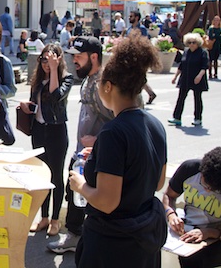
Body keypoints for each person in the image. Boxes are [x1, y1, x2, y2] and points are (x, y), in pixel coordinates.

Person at [68, 34, 167, 268]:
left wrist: (80, 184)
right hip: (144, 242)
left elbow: (107, 201)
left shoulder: (112, 132)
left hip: (112, 245)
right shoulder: (156, 125)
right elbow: (157, 183)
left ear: (108, 86)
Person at [47, 36, 114, 254]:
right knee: (74, 195)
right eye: (73, 56)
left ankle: (80, 240)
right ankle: (76, 237)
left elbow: (121, 121)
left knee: (85, 199)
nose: (75, 60)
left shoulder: (104, 84)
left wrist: (98, 141)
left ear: (94, 57)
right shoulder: (88, 78)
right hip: (82, 155)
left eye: (79, 56)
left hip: (97, 156)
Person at [162, 147, 221, 268]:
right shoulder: (189, 168)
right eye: (204, 183)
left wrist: (211, 233)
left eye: (214, 189)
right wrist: (171, 214)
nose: (206, 190)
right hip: (187, 228)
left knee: (194, 258)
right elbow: (169, 195)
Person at [20, 43, 73, 237]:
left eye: (50, 60)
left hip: (57, 131)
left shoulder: (66, 78)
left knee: (56, 176)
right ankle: (43, 217)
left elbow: (55, 95)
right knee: (42, 176)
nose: (45, 64)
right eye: (43, 59)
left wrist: (53, 70)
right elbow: (37, 105)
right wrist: (28, 107)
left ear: (59, 60)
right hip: (39, 131)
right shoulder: (37, 80)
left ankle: (55, 219)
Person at [168, 32, 209, 127]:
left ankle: (198, 118)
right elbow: (181, 65)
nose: (191, 44)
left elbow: (204, 66)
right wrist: (175, 76)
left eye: (193, 42)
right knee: (181, 98)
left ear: (198, 43)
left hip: (197, 78)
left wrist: (199, 76)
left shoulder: (203, 52)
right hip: (185, 78)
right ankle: (177, 118)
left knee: (197, 98)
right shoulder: (186, 51)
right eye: (189, 42)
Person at [128, 11, 157, 104]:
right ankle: (150, 93)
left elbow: (145, 42)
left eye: (131, 16)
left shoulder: (142, 29)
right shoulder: (129, 29)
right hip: (130, 55)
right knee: (136, 76)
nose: (129, 18)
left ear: (136, 18)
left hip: (139, 56)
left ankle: (135, 99)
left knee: (136, 76)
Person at [207, 15, 221, 79]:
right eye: (215, 20)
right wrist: (218, 36)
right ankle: (210, 73)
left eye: (218, 20)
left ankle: (216, 73)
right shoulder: (211, 28)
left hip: (218, 45)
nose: (217, 21)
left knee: (216, 60)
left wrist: (216, 36)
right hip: (212, 45)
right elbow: (211, 36)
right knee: (210, 60)